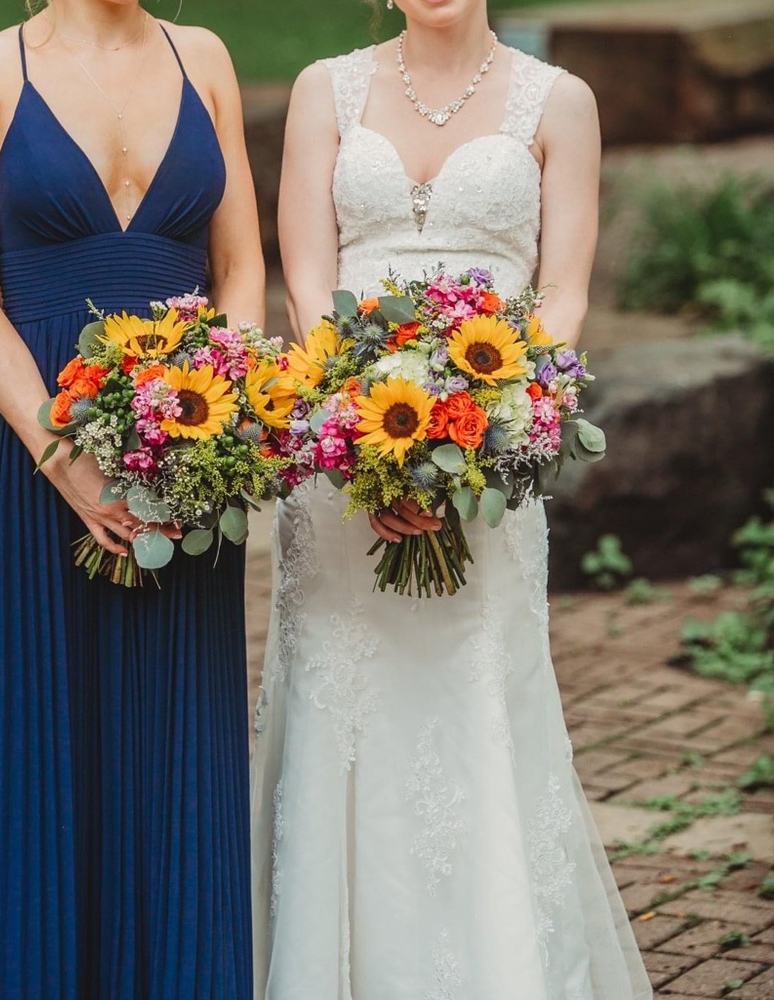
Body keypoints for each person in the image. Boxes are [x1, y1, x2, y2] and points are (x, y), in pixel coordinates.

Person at [251, 0, 653, 996]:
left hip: (491, 453)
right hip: (346, 455)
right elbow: (305, 280)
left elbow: (559, 294)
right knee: (340, 709)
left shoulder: (561, 102)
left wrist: (487, 421)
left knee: (479, 699)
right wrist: (359, 438)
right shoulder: (322, 91)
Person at [0, 1, 263, 996]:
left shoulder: (206, 60)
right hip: (37, 457)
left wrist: (209, 421)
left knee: (174, 761)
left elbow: (239, 268)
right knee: (32, 746)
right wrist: (67, 459)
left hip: (185, 461)